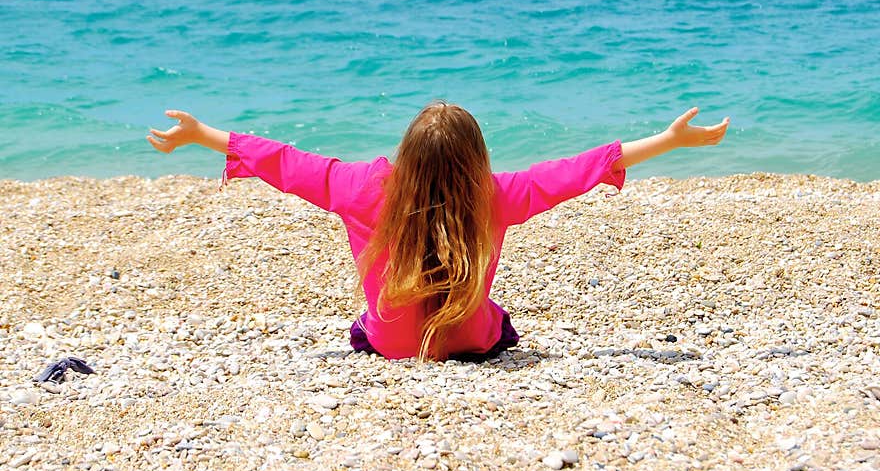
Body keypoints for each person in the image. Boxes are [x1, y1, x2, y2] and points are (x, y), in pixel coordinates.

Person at [147, 102, 728, 362]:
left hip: (392, 345)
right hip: (474, 340)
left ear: (407, 154)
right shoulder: (494, 196)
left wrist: (202, 134)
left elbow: (282, 161)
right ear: (477, 158)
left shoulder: (361, 188)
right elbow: (579, 170)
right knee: (496, 316)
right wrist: (671, 141)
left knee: (367, 322)